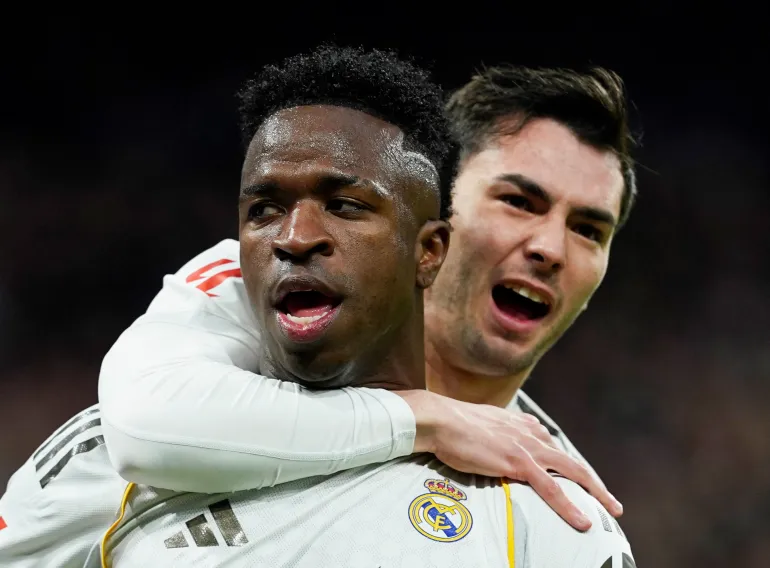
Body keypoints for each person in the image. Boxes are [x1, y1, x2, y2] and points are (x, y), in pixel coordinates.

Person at [0, 46, 635, 566]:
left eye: (589, 230)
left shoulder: (560, 507)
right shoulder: (242, 306)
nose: (550, 247)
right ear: (438, 214)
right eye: (518, 202)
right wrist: (421, 417)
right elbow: (144, 428)